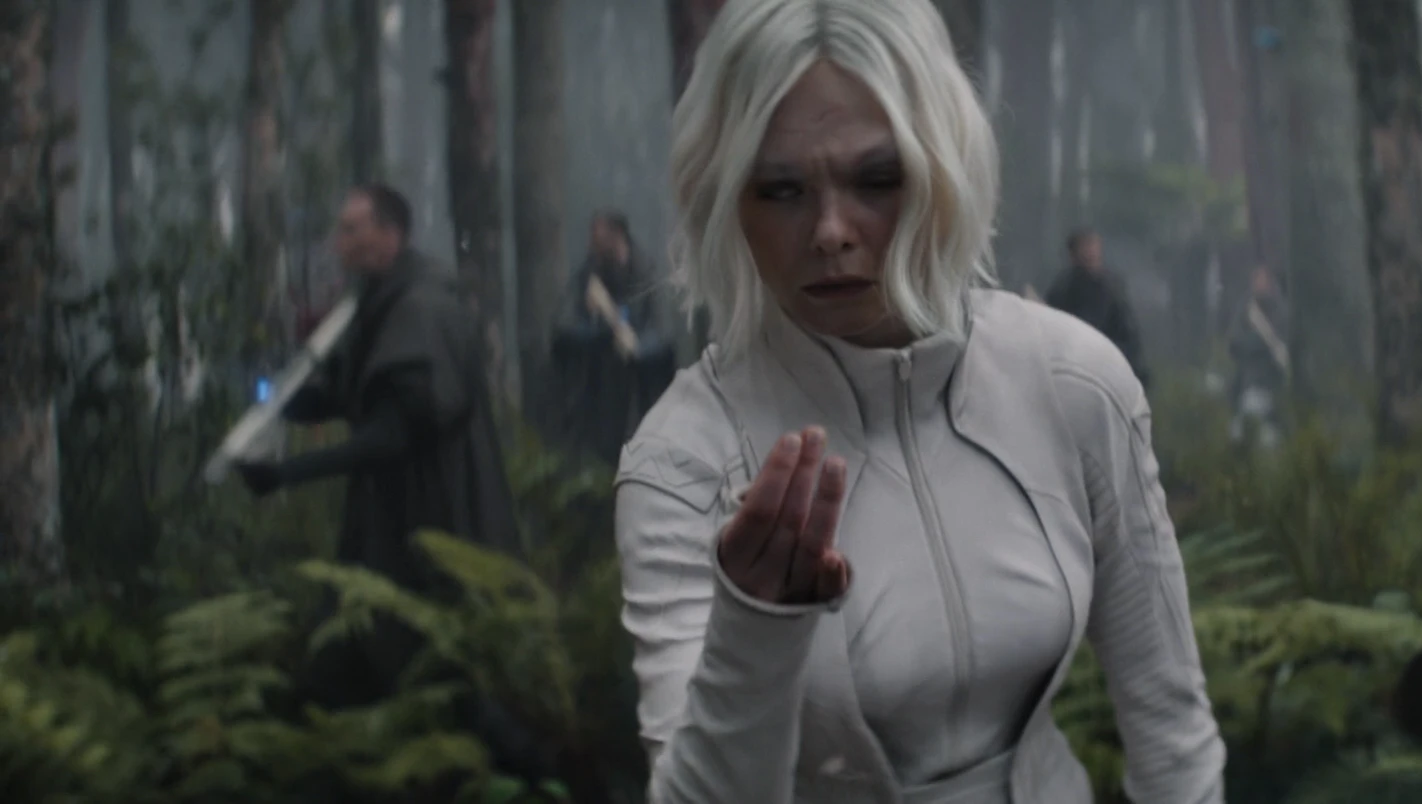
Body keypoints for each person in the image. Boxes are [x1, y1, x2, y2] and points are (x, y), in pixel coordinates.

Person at [612, 1, 1225, 802]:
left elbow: (1174, 737)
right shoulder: (681, 460)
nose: (831, 230)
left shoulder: (1070, 380)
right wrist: (753, 632)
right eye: (783, 189)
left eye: (876, 179)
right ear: (726, 197)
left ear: (943, 168)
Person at [231, 184, 541, 787]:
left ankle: (542, 781)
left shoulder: (421, 309)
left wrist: (287, 475)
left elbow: (391, 434)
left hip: (433, 531)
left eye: (352, 230)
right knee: (362, 671)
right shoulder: (381, 302)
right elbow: (352, 394)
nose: (339, 243)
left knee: (447, 680)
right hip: (390, 529)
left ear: (390, 235)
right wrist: (279, 399)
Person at [552, 210, 673, 465]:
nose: (591, 244)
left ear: (617, 235)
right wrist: (603, 327)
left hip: (643, 385)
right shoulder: (590, 274)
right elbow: (566, 326)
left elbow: (661, 334)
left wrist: (634, 344)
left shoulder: (645, 272)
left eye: (597, 237)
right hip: (602, 387)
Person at [1044, 229, 1150, 387]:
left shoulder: (1111, 287)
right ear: (1073, 254)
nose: (1091, 253)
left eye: (1093, 247)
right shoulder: (1063, 289)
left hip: (1114, 361)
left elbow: (1126, 332)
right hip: (1076, 365)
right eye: (1086, 248)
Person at [1225, 265, 1288, 449]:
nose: (1260, 284)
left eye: (1264, 280)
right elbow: (1235, 342)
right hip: (1247, 381)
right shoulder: (1246, 309)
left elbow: (1281, 343)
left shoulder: (1279, 310)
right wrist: (1255, 344)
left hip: (1272, 383)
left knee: (1269, 437)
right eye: (1257, 280)